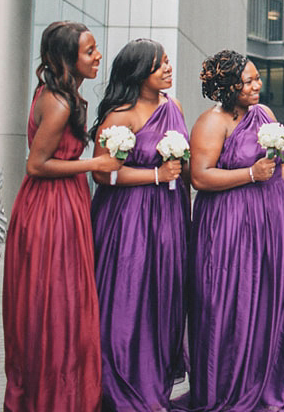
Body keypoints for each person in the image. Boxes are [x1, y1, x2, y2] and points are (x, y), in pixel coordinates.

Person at [3, 21, 122, 411]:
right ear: (66, 59)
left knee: (65, 304)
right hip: (50, 211)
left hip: (64, 205)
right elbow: (36, 165)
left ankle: (61, 392)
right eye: (90, 51)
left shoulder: (63, 95)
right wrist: (95, 164)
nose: (98, 56)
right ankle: (56, 396)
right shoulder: (57, 102)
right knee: (57, 306)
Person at [179, 50, 284, 411]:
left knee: (265, 299)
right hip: (228, 225)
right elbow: (200, 176)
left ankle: (264, 381)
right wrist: (248, 175)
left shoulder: (266, 115)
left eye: (256, 78)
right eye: (248, 81)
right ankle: (225, 386)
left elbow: (283, 167)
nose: (257, 85)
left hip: (269, 221)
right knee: (228, 302)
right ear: (227, 86)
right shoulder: (211, 123)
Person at [89, 39, 190, 410]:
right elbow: (102, 176)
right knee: (128, 298)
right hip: (128, 218)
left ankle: (156, 382)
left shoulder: (173, 106)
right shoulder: (120, 115)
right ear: (138, 72)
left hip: (169, 216)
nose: (167, 68)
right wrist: (156, 175)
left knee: (164, 297)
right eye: (158, 64)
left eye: (166, 61)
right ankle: (120, 382)